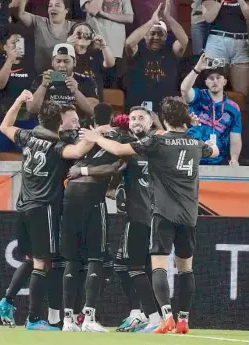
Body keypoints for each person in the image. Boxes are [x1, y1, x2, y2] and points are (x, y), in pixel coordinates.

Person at [79, 96, 219, 334]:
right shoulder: (195, 142)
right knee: (186, 269)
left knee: (158, 267)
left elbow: (120, 149)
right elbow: (214, 151)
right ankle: (184, 319)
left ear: (161, 119)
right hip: (189, 216)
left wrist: (96, 137)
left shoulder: (157, 141)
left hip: (163, 214)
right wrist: (197, 131)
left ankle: (166, 317)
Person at [0, 90, 95, 330]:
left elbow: (4, 126)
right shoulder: (56, 146)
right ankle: (33, 320)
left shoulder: (28, 137)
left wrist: (19, 100)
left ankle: (7, 300)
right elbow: (78, 151)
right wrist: (96, 135)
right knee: (43, 263)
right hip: (44, 208)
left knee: (32, 259)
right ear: (59, 124)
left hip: (23, 206)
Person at [60, 103, 123, 332]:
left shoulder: (80, 137)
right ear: (113, 118)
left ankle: (68, 320)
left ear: (92, 120)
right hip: (92, 199)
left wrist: (81, 169)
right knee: (96, 257)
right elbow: (116, 166)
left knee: (72, 260)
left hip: (69, 197)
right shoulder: (117, 137)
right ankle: (88, 318)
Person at [114, 106, 162, 333]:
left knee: (132, 267)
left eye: (140, 118)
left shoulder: (156, 145)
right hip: (138, 215)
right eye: (132, 118)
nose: (135, 121)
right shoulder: (127, 148)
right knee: (134, 266)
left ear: (151, 122)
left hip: (145, 216)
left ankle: (150, 316)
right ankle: (142, 313)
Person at [0, 28, 37, 160]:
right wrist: (10, 60)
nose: (17, 46)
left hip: (25, 120)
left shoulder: (32, 66)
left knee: (29, 156)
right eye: (13, 43)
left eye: (20, 42)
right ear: (5, 47)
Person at [125, 1, 188, 113]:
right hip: (139, 106)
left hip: (166, 108)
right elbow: (129, 43)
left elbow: (184, 41)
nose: (156, 37)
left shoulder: (171, 50)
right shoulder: (138, 49)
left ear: (165, 37)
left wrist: (169, 18)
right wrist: (151, 22)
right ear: (145, 35)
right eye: (152, 33)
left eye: (160, 34)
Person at [181, 53, 242, 165]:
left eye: (218, 78)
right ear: (206, 82)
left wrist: (234, 158)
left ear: (224, 81)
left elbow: (235, 136)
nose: (215, 81)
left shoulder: (233, 108)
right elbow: (184, 90)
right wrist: (197, 69)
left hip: (220, 160)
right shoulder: (198, 96)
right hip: (193, 157)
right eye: (211, 78)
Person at [27, 43, 99, 122]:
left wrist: (76, 91)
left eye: (66, 61)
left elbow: (93, 111)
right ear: (52, 62)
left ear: (74, 62)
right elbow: (31, 109)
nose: (62, 65)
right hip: (48, 125)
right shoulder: (41, 79)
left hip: (77, 125)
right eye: (58, 61)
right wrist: (43, 86)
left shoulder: (86, 81)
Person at [10, 0, 75, 74]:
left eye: (57, 5)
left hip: (67, 79)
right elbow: (18, 13)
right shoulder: (39, 22)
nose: (52, 8)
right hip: (41, 78)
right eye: (50, 6)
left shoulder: (74, 27)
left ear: (66, 10)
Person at [202, 0, 249, 96]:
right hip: (216, 45)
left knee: (242, 91)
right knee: (214, 86)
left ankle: (235, 111)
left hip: (241, 46)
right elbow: (208, 18)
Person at [67, 22, 115, 101]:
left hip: (94, 99)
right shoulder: (66, 54)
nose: (82, 35)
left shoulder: (96, 54)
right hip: (71, 98)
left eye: (86, 33)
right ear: (71, 36)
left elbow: (110, 64)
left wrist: (104, 46)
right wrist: (68, 45)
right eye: (78, 32)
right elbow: (57, 74)